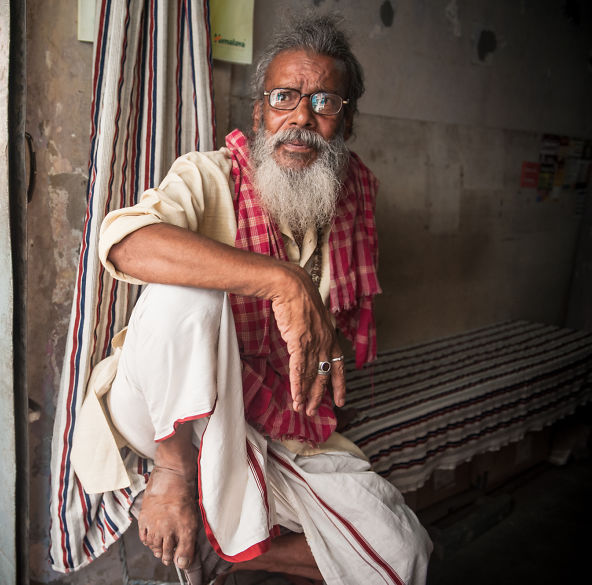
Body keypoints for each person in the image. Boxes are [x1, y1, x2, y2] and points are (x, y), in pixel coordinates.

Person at [66, 14, 432, 585]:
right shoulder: (208, 175)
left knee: (403, 557)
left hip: (275, 418)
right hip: (166, 412)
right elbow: (126, 244)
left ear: (347, 120)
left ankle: (228, 547)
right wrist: (282, 281)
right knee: (186, 293)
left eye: (325, 102)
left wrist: (322, 329)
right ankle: (172, 479)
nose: (301, 119)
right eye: (283, 97)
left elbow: (339, 333)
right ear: (259, 112)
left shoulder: (349, 198)